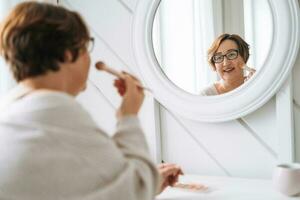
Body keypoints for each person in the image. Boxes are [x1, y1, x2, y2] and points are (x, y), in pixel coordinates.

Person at [0, 2, 182, 200]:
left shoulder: (11, 110)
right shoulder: (55, 111)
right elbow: (135, 190)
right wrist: (128, 116)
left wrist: (146, 179)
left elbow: (72, 186)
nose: (89, 57)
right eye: (86, 46)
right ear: (67, 54)